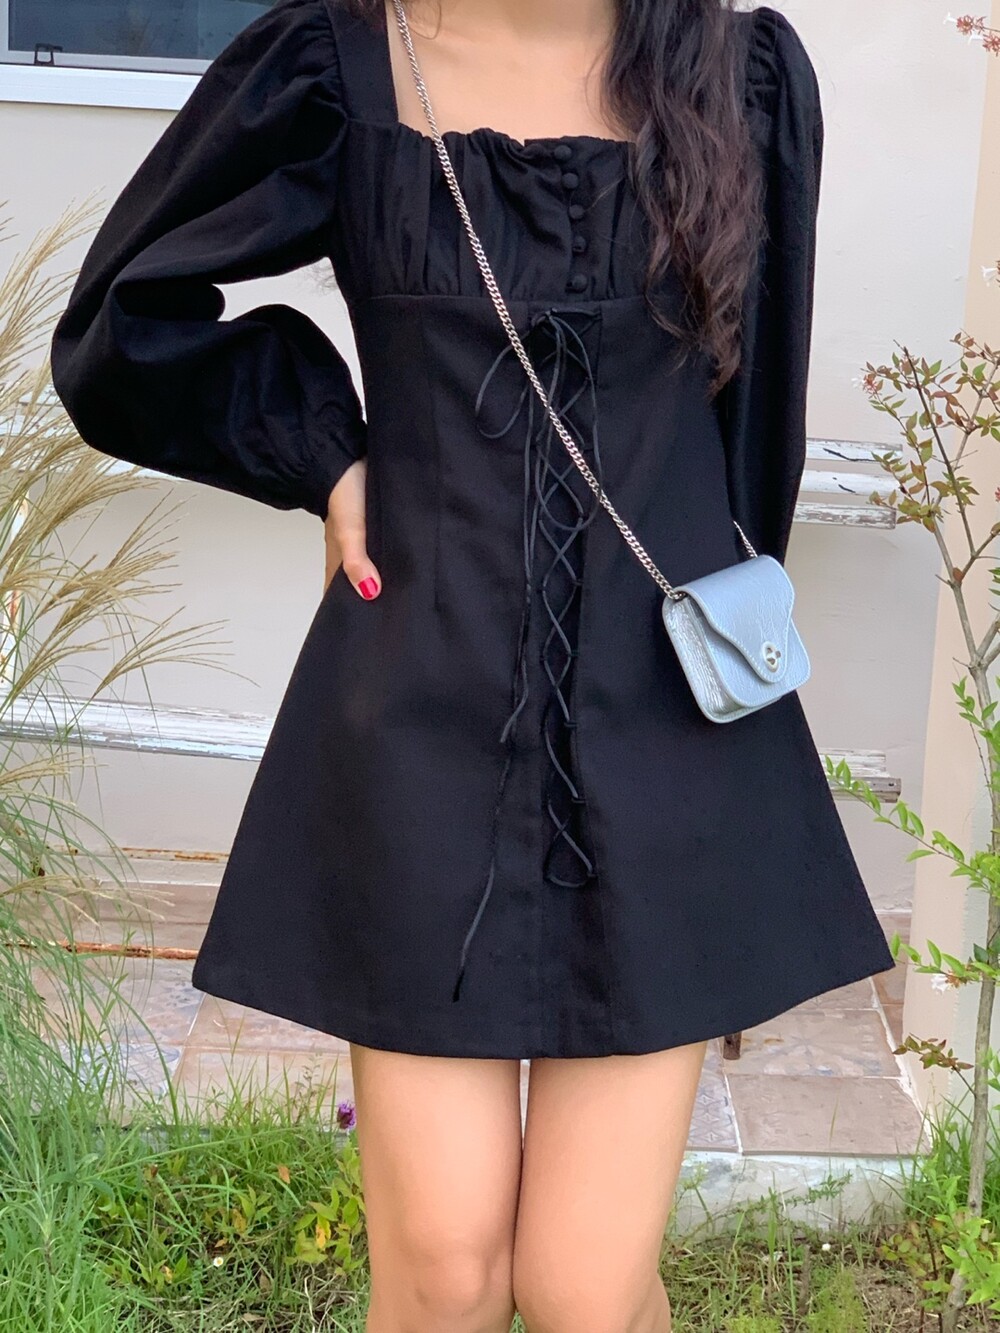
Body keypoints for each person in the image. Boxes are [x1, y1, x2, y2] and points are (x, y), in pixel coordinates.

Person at [49, 0, 895, 1327]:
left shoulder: (742, 79)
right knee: (443, 1269)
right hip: (418, 726)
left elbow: (754, 440)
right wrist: (326, 458)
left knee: (582, 1289)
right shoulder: (336, 66)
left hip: (664, 738)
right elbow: (124, 318)